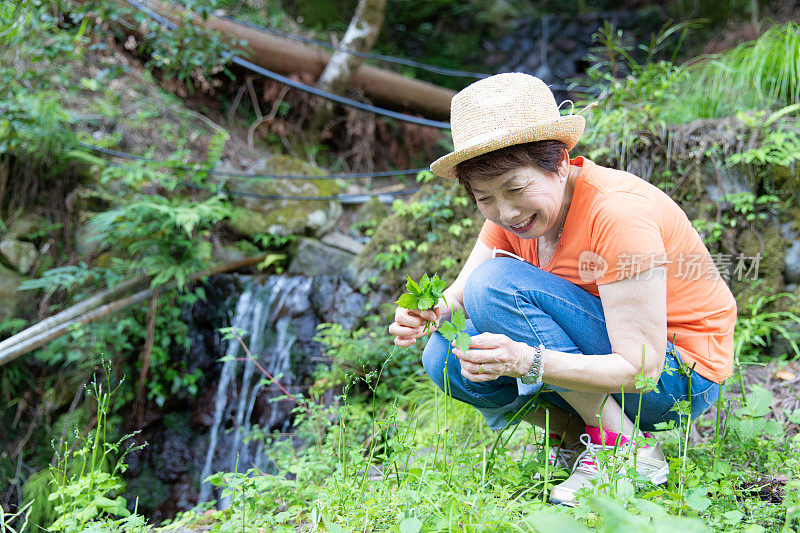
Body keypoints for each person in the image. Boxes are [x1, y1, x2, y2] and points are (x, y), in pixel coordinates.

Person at [388, 73, 736, 506]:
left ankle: (625, 449)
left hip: (678, 377)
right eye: (485, 198)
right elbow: (457, 298)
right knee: (443, 356)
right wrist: (429, 314)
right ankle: (580, 440)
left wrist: (527, 361)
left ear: (559, 161)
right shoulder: (515, 217)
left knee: (495, 286)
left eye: (515, 189)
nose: (506, 212)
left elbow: (642, 369)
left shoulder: (617, 213)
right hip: (614, 363)